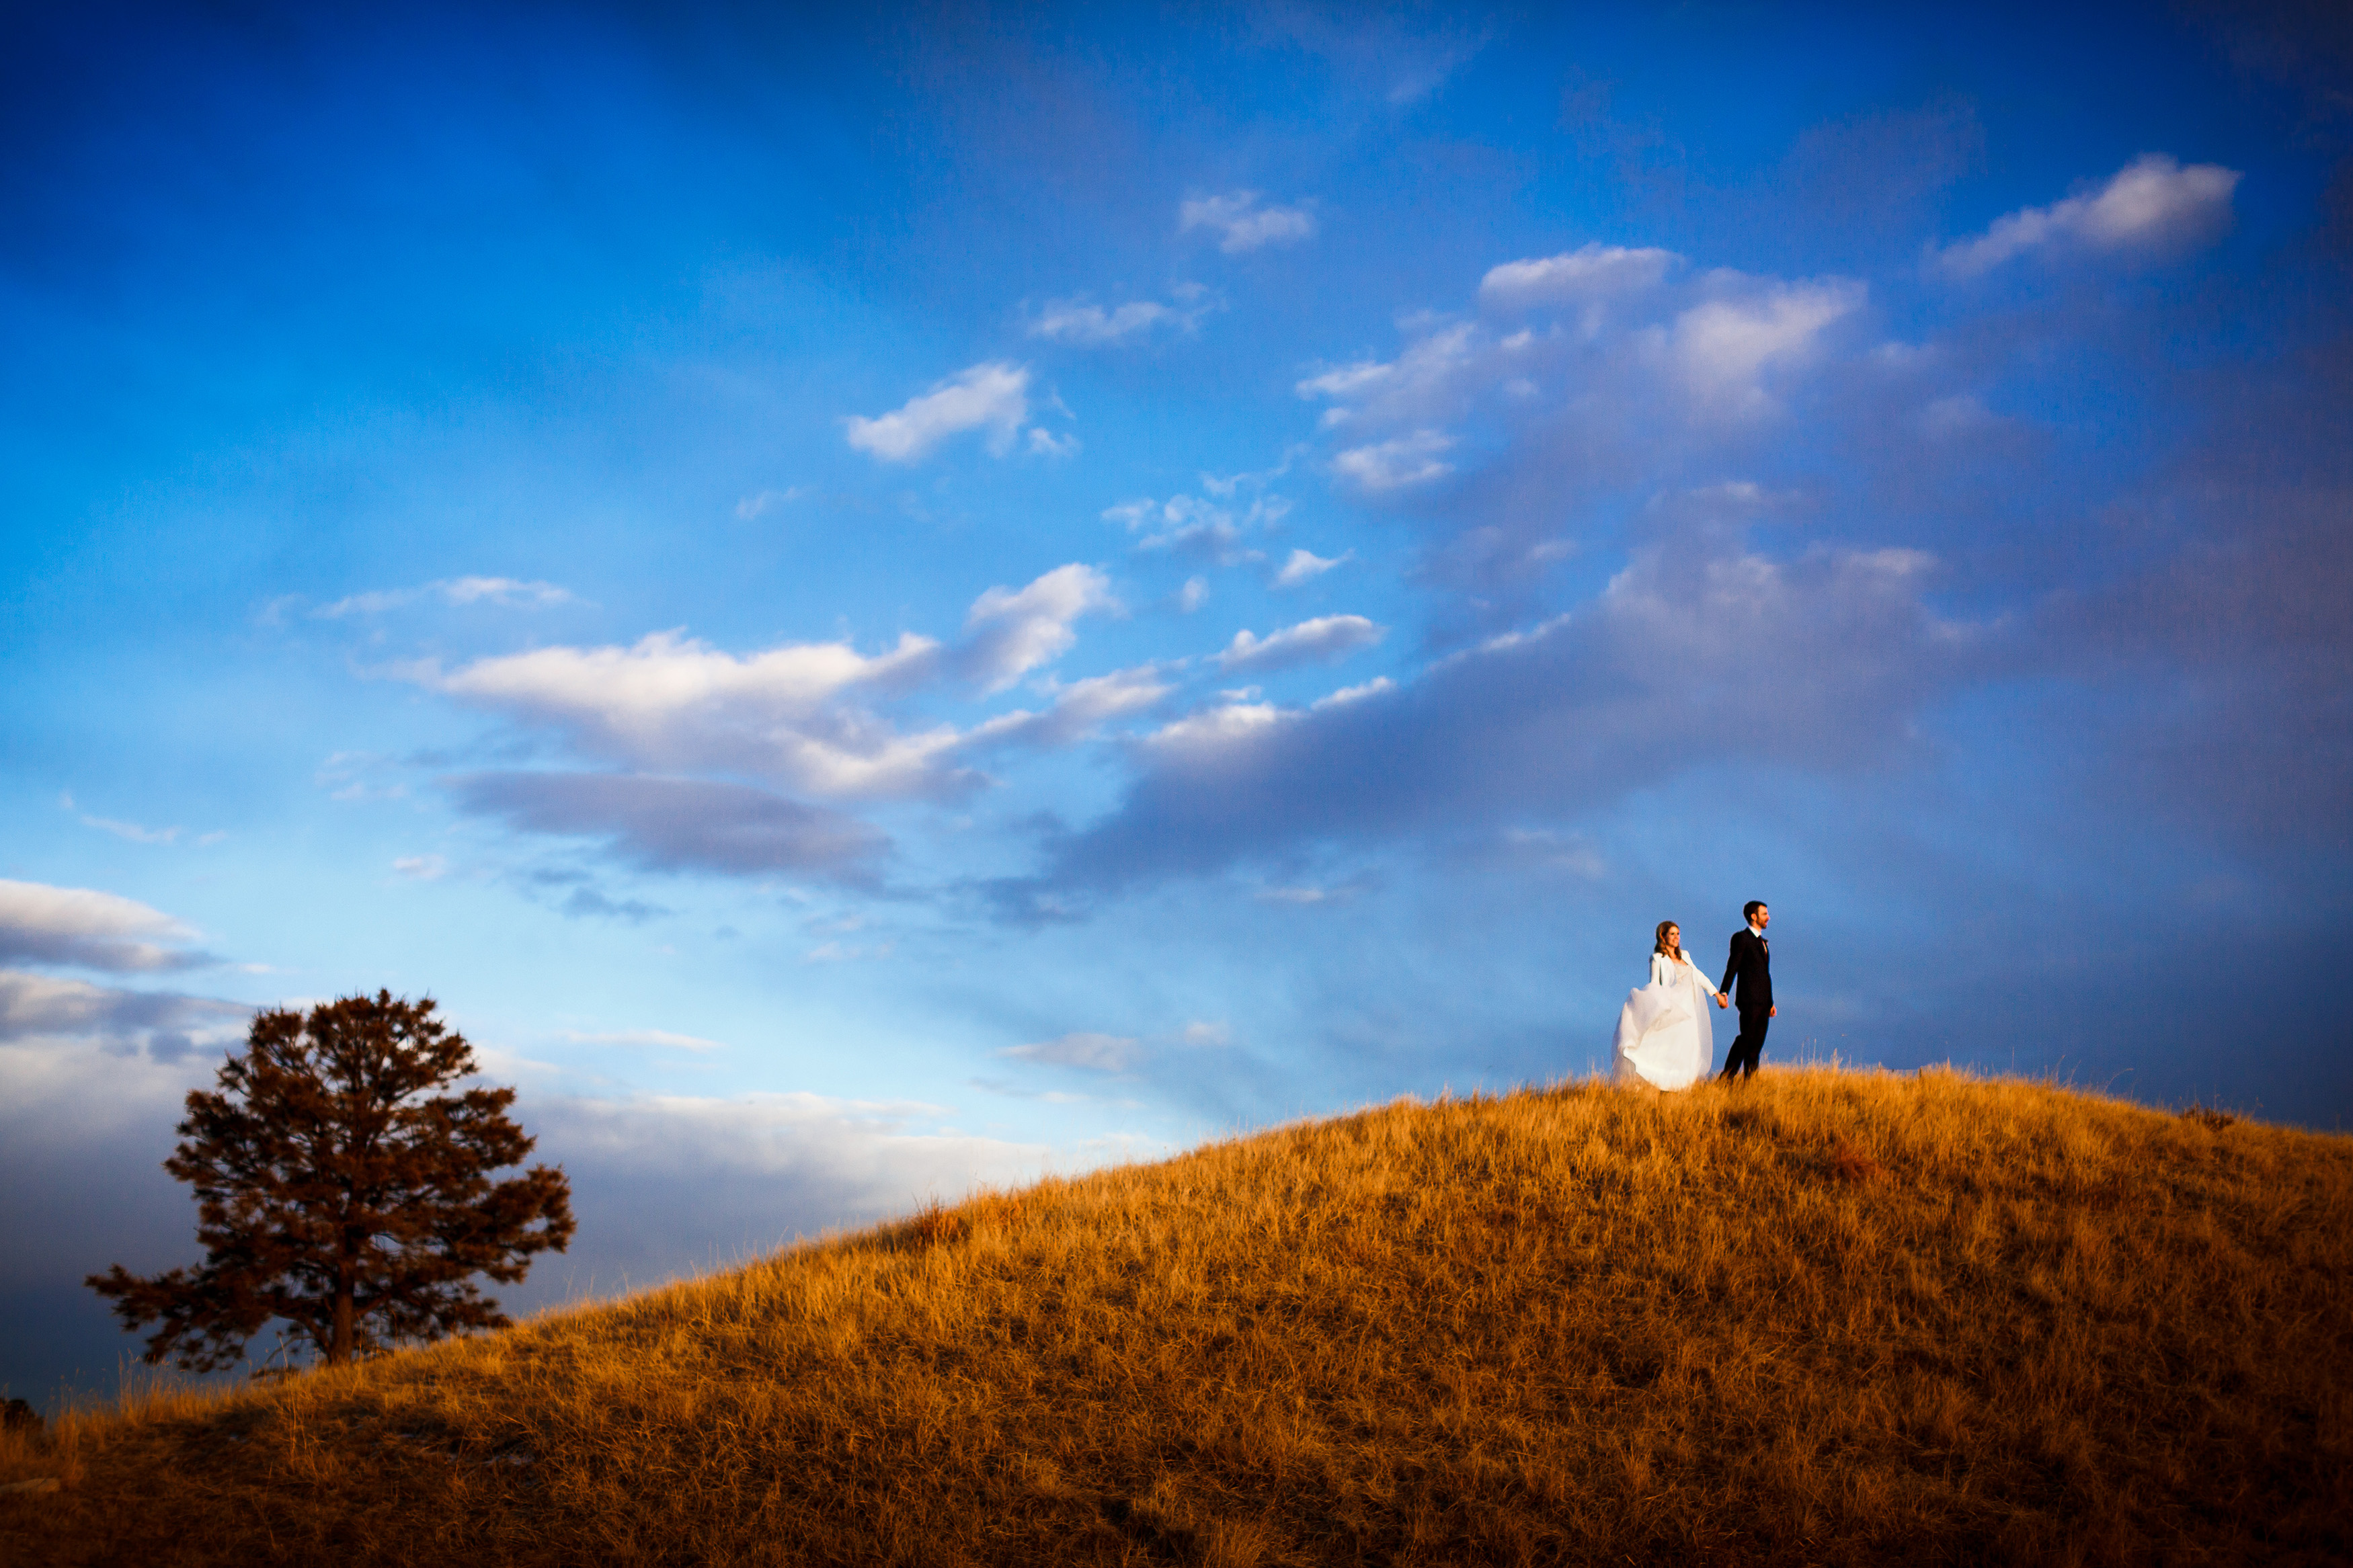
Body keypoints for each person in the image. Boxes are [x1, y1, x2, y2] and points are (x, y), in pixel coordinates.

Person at [1611, 920, 1729, 1091]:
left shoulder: (1686, 956)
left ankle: (1683, 1087)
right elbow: (1654, 985)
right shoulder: (1658, 959)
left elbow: (1699, 976)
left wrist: (1717, 994)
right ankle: (1664, 1084)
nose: (1676, 937)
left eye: (1678, 934)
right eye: (1672, 934)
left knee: (1689, 1046)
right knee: (1668, 1046)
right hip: (1674, 1008)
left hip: (1690, 1008)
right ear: (1663, 936)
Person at [1718, 901, 1775, 1081]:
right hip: (1749, 999)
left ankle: (1750, 1083)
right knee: (1746, 1038)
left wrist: (1771, 1002)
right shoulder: (1741, 938)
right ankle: (1727, 1077)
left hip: (1764, 1002)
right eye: (1764, 914)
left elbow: (1765, 975)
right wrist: (1724, 992)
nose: (1768, 917)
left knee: (1756, 1044)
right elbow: (1732, 966)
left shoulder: (1762, 942)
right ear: (1754, 916)